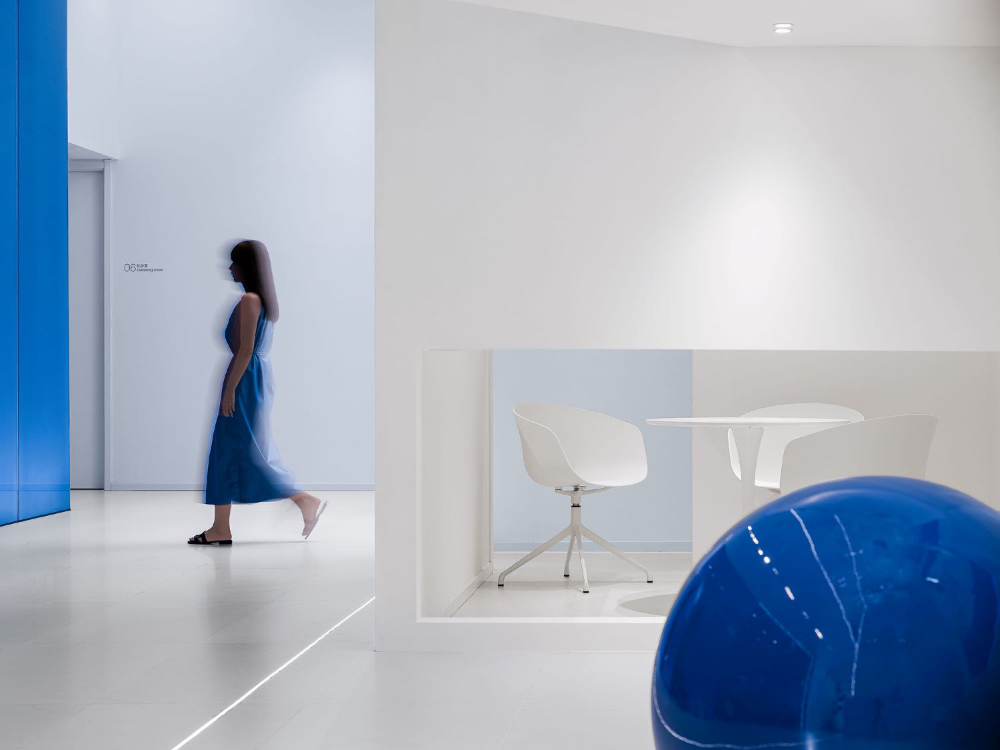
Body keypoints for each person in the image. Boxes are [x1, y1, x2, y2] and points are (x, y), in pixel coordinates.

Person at [188, 239, 325, 545]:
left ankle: (303, 500)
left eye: (234, 262)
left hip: (245, 379)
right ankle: (220, 527)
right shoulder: (259, 300)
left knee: (244, 450)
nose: (229, 268)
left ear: (246, 266)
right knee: (231, 449)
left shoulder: (250, 299)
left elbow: (246, 350)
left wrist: (229, 390)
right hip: (251, 377)